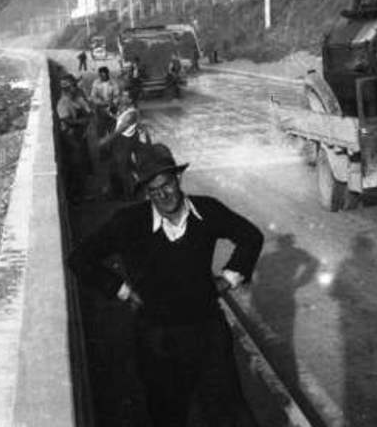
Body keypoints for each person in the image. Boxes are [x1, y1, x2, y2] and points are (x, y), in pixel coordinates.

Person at [68, 143, 262, 426]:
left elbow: (251, 237)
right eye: (154, 190)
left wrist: (228, 278)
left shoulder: (207, 210)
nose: (163, 195)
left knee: (230, 412)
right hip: (156, 339)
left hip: (207, 331)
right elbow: (80, 259)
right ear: (146, 192)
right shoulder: (128, 223)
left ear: (178, 179)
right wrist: (121, 290)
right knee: (168, 414)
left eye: (167, 184)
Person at [99, 88, 142, 200]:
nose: (122, 98)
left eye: (125, 96)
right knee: (119, 167)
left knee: (123, 170)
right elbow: (119, 120)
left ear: (131, 99)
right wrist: (110, 114)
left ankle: (129, 195)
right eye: (122, 95)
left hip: (124, 143)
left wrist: (104, 140)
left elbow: (119, 131)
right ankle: (121, 191)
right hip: (121, 142)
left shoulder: (131, 114)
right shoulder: (126, 110)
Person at [56, 74, 91, 202]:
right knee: (76, 168)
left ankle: (80, 195)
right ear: (68, 88)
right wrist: (82, 121)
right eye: (73, 86)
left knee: (80, 166)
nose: (75, 88)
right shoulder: (63, 102)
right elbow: (66, 120)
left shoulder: (72, 99)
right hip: (71, 139)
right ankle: (76, 197)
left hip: (76, 137)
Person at [90, 66, 120, 138]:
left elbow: (117, 95)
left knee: (112, 127)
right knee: (100, 128)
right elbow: (93, 96)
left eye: (104, 75)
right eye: (101, 75)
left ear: (107, 74)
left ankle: (113, 142)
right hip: (100, 108)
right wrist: (101, 103)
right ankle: (102, 143)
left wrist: (113, 103)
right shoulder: (96, 83)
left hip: (111, 107)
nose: (103, 77)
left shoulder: (113, 83)